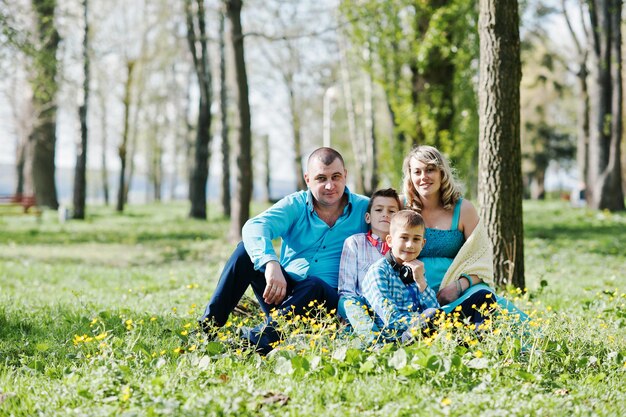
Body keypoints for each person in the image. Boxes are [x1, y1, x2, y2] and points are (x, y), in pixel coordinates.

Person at [199, 147, 370, 354]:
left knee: (314, 284)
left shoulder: (366, 209)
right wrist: (270, 263)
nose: (329, 185)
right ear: (307, 179)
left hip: (329, 304)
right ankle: (207, 329)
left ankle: (251, 343)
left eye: (336, 177)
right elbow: (254, 227)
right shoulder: (296, 204)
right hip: (284, 295)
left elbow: (402, 221)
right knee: (245, 252)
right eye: (320, 178)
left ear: (346, 175)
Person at [402, 145, 527, 321]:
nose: (424, 177)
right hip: (413, 290)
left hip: (459, 290)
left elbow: (481, 258)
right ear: (410, 176)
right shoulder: (401, 208)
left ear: (441, 173)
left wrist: (458, 286)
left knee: (487, 303)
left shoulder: (463, 209)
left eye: (430, 170)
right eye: (417, 172)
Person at [360, 210, 439, 338]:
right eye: (404, 237)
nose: (410, 245)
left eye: (416, 239)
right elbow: (390, 319)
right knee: (433, 316)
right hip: (394, 339)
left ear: (422, 244)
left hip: (421, 332)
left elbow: (436, 310)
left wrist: (421, 282)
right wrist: (423, 319)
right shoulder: (379, 271)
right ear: (390, 240)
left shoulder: (416, 270)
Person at [337, 188, 401, 343]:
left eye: (392, 211)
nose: (385, 214)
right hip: (360, 305)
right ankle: (375, 343)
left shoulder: (402, 249)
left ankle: (377, 338)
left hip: (389, 310)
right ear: (368, 217)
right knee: (347, 302)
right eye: (379, 210)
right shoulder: (355, 243)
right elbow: (346, 289)